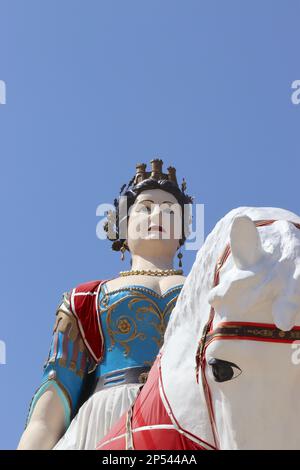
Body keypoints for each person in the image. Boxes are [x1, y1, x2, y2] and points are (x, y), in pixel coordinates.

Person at [17, 158, 194, 450]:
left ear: (185, 229)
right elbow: (57, 392)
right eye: (146, 208)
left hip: (187, 411)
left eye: (170, 210)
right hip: (108, 414)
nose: (158, 215)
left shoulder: (212, 289)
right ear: (123, 225)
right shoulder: (86, 299)